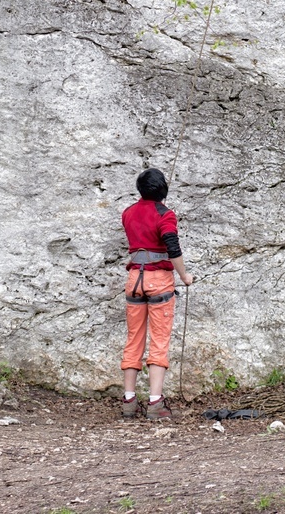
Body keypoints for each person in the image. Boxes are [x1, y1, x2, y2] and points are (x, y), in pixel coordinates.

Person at [120, 167, 193, 419]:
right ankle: (155, 402)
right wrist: (184, 276)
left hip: (134, 280)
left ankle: (129, 401)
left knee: (134, 339)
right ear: (162, 188)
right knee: (159, 340)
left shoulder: (128, 213)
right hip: (158, 280)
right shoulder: (165, 215)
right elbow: (172, 246)